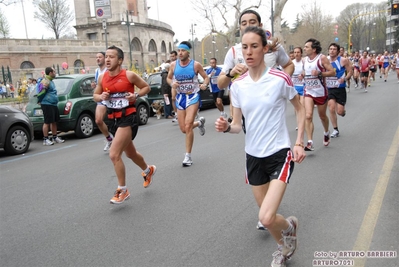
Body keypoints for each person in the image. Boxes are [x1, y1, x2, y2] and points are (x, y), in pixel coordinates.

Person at [215, 26, 306, 267]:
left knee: (265, 217)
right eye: (244, 47)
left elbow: (300, 108)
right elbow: (236, 125)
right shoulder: (237, 86)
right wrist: (226, 127)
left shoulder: (279, 78)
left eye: (254, 46)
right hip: (253, 157)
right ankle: (288, 232)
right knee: (268, 216)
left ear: (265, 49)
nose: (249, 52)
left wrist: (299, 142)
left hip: (279, 153)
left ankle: (285, 244)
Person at [93, 45, 156, 205]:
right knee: (131, 154)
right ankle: (149, 170)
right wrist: (101, 96)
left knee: (114, 154)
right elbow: (95, 96)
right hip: (113, 120)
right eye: (106, 56)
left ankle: (123, 189)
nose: (107, 59)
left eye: (111, 57)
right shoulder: (102, 78)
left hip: (128, 118)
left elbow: (146, 87)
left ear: (120, 60)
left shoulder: (129, 75)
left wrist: (135, 95)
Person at [218, 9, 294, 123]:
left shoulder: (272, 47)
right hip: (248, 105)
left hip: (271, 103)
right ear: (240, 28)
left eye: (252, 22)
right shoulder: (234, 51)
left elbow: (289, 65)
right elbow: (220, 84)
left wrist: (279, 82)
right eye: (244, 23)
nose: (248, 25)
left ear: (260, 25)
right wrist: (231, 73)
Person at [167, 41, 208, 167]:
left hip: (193, 96)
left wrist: (204, 84)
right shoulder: (173, 65)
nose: (180, 53)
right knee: (183, 129)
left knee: (188, 124)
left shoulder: (195, 65)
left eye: (182, 51)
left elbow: (206, 77)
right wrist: (171, 83)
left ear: (188, 52)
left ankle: (187, 156)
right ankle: (200, 123)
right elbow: (168, 78)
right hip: (180, 97)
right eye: (178, 50)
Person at [300, 38, 335, 151]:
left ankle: (326, 132)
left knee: (322, 116)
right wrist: (303, 74)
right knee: (308, 115)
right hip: (308, 90)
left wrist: (320, 73)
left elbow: (332, 72)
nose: (304, 49)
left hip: (320, 91)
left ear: (314, 49)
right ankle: (310, 142)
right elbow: (306, 71)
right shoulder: (304, 60)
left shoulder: (322, 58)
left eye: (307, 47)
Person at [326, 43, 352, 138]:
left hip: (340, 88)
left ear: (337, 51)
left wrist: (345, 79)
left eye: (334, 49)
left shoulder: (343, 60)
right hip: (330, 88)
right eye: (330, 49)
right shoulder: (325, 60)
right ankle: (335, 129)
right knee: (331, 107)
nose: (332, 50)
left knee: (340, 112)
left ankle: (342, 111)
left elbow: (350, 71)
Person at [92, 52, 113, 151]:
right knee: (98, 120)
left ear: (105, 58)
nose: (98, 59)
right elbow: (98, 85)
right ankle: (109, 139)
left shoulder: (109, 70)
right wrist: (95, 86)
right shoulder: (96, 71)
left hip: (112, 97)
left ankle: (121, 140)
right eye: (96, 57)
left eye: (100, 57)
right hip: (102, 98)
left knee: (116, 122)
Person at [40, 67, 65, 146]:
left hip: (53, 104)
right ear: (50, 73)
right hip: (47, 104)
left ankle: (55, 137)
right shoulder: (45, 81)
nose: (55, 73)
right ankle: (45, 139)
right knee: (47, 122)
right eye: (54, 71)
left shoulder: (51, 81)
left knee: (54, 121)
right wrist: (40, 100)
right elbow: (41, 92)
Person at [169, 50, 178, 122]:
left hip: (181, 83)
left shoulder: (179, 63)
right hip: (174, 83)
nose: (172, 58)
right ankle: (176, 114)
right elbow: (169, 77)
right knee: (173, 98)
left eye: (173, 56)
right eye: (171, 56)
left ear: (176, 56)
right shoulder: (171, 64)